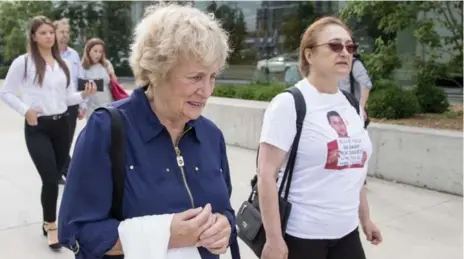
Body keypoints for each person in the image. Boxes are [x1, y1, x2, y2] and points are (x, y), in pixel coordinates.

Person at [58, 4, 239, 259]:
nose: (207, 90)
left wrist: (225, 225)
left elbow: (225, 210)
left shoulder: (211, 136)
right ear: (156, 71)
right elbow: (75, 230)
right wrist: (164, 235)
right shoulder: (106, 130)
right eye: (196, 77)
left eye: (212, 77)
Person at [257, 16, 382, 259]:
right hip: (302, 237)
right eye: (335, 46)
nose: (345, 52)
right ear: (309, 55)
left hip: (347, 233)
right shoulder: (290, 104)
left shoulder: (351, 104)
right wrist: (274, 239)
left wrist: (365, 219)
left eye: (350, 47)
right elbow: (266, 174)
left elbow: (355, 169)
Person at [0, 15, 95, 250]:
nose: (49, 36)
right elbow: (6, 92)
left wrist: (83, 96)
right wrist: (26, 110)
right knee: (51, 179)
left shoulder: (61, 63)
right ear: (33, 36)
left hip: (62, 125)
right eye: (43, 33)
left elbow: (67, 96)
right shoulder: (24, 62)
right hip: (38, 128)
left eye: (51, 32)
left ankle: (48, 219)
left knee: (60, 177)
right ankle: (52, 226)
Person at [54, 18, 86, 183]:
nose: (65, 35)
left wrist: (83, 103)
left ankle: (61, 171)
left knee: (66, 140)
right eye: (62, 32)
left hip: (72, 103)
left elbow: (80, 79)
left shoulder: (73, 54)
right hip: (53, 105)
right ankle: (71, 172)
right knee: (58, 140)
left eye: (67, 32)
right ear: (55, 32)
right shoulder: (49, 54)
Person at [80, 37, 116, 119]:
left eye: (100, 52)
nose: (98, 54)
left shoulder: (106, 64)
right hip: (92, 106)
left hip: (108, 104)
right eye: (95, 51)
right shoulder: (82, 67)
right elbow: (80, 88)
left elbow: (114, 81)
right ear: (88, 51)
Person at [338, 39, 373, 115]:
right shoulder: (335, 64)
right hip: (337, 109)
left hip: (351, 110)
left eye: (350, 48)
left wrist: (361, 108)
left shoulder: (355, 64)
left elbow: (366, 84)